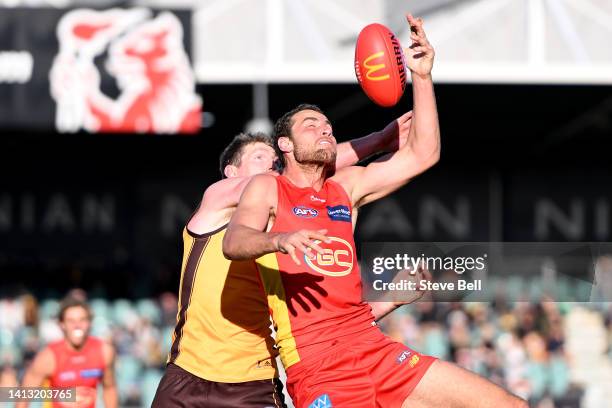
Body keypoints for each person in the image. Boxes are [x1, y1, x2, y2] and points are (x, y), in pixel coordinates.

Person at [223, 14, 528, 408]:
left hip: (372, 346)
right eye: (312, 125)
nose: (326, 130)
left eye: (329, 126)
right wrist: (280, 239)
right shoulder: (269, 187)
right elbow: (235, 241)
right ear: (284, 144)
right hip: (318, 364)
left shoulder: (345, 188)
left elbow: (423, 154)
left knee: (511, 405)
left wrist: (422, 75)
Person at [152, 112, 416, 407]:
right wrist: (378, 140)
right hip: (188, 375)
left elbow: (326, 324)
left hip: (254, 384)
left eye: (276, 160)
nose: (273, 164)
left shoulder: (289, 240)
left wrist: (389, 301)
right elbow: (297, 172)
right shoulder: (217, 199)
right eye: (260, 157)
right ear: (231, 172)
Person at [18, 297, 117, 408]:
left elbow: (109, 388)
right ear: (62, 324)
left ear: (89, 323)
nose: (77, 326)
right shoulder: (48, 357)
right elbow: (23, 397)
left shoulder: (104, 351)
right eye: (71, 321)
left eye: (82, 320)